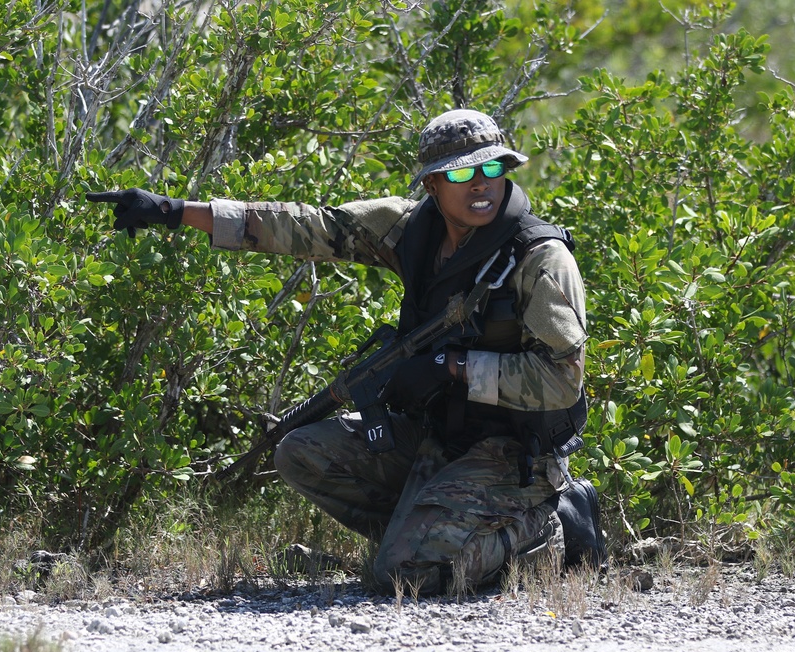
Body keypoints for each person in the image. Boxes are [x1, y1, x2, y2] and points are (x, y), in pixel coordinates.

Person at [87, 109, 606, 593]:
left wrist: (455, 368)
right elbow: (307, 226)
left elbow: (561, 380)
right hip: (439, 435)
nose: (481, 183)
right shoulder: (409, 230)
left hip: (511, 453)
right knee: (301, 452)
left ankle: (548, 531)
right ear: (430, 183)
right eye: (460, 174)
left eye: (493, 167)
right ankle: (432, 530)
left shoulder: (540, 258)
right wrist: (175, 211)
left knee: (407, 574)